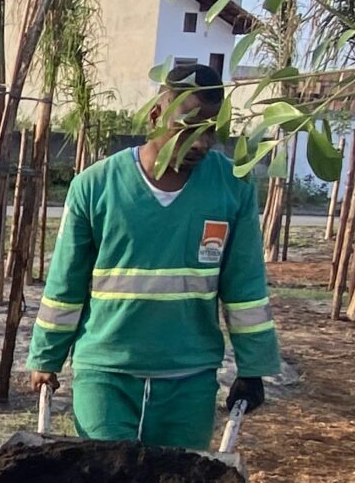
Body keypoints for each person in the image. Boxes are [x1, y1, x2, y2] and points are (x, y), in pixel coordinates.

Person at [25, 60, 278, 450]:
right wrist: (46, 356)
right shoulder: (95, 187)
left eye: (210, 131)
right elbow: (66, 284)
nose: (201, 143)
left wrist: (254, 368)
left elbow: (245, 288)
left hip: (189, 379)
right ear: (157, 114)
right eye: (188, 128)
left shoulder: (233, 188)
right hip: (105, 374)